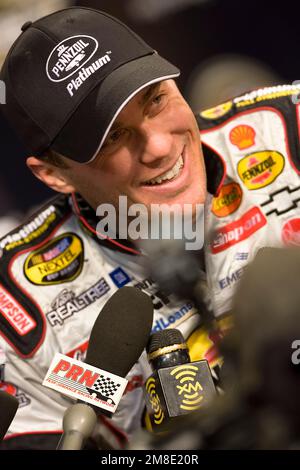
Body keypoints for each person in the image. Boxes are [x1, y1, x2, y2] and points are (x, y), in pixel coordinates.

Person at [0, 6, 299, 450]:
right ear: (53, 174)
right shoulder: (22, 312)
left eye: (155, 99)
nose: (159, 146)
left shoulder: (285, 132)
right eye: (112, 139)